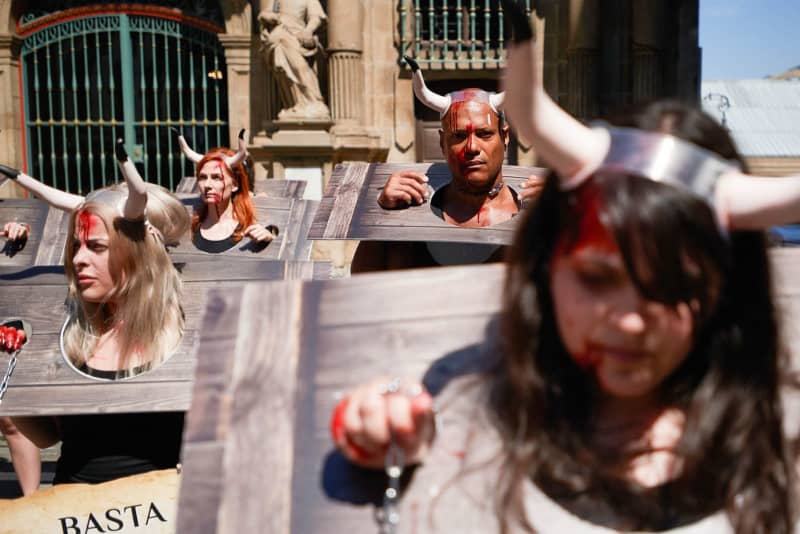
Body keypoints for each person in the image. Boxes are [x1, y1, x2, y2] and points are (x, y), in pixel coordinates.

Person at [330, 4, 800, 531]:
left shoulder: (781, 448)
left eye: (669, 285)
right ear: (548, 269)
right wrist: (393, 418)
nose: (628, 320)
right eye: (597, 277)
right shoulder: (479, 401)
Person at [0, 139, 189, 484]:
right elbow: (46, 437)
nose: (77, 259)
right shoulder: (75, 331)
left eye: (96, 247)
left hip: (156, 512)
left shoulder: (182, 332)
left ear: (140, 256)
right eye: (76, 245)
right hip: (76, 510)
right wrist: (9, 379)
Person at [350, 57, 544, 273]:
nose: (471, 147)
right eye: (459, 136)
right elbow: (362, 279)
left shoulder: (536, 211)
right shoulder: (410, 205)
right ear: (443, 142)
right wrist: (382, 217)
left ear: (505, 137)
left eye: (484, 134)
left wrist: (562, 221)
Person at [174, 128, 278, 254]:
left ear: (234, 184)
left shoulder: (251, 221)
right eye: (202, 177)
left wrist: (270, 237)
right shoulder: (187, 225)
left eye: (216, 177)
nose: (207, 185)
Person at [258, 0, 331, 120]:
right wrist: (269, 16)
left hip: (297, 38)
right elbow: (264, 13)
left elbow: (316, 17)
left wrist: (308, 30)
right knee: (282, 72)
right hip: (279, 37)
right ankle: (294, 104)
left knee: (299, 68)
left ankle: (313, 102)